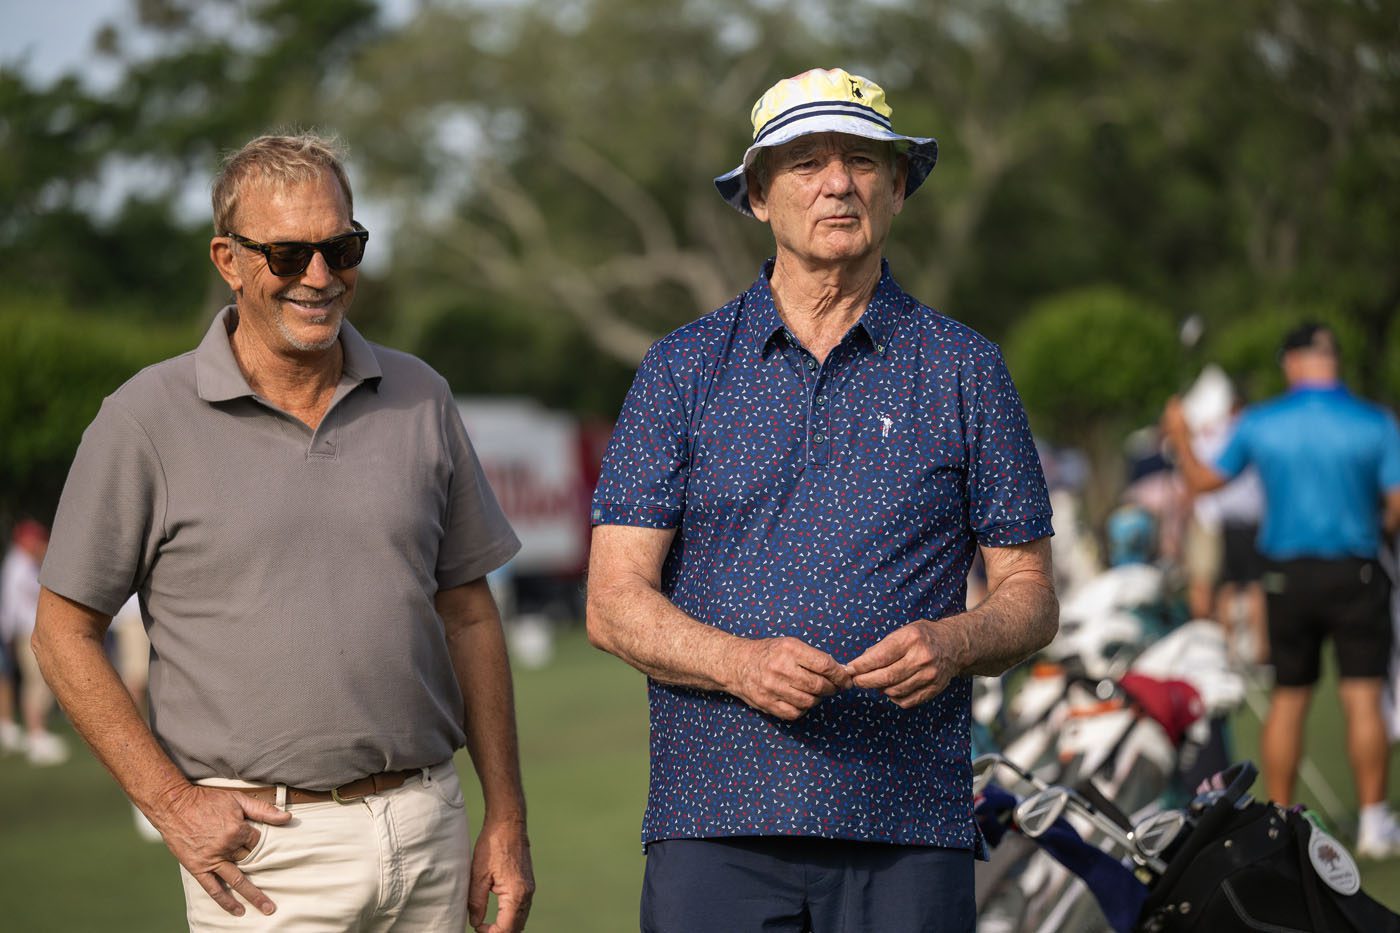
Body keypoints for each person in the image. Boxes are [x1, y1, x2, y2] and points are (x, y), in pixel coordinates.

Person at [586, 68, 1058, 932]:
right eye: (805, 162)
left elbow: (1030, 597)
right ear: (760, 196)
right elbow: (613, 603)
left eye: (863, 161)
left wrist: (954, 640)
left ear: (899, 188)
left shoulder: (966, 369)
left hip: (909, 825)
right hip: (713, 825)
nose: (837, 182)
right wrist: (739, 663)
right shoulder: (681, 369)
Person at [32, 133, 534, 931]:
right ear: (227, 260)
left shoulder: (420, 394)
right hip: (265, 856)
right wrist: (172, 804)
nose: (321, 277)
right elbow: (62, 631)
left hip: (430, 824)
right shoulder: (144, 419)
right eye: (289, 254)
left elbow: (470, 614)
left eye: (342, 247)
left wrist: (506, 818)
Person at [1162, 322, 1400, 858]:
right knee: (1363, 697)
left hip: (1286, 575)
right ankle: (1374, 824)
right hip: (1356, 570)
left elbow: (1203, 483)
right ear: (1332, 358)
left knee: (1290, 699)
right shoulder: (1374, 422)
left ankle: (1281, 821)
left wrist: (1178, 434)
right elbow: (1397, 505)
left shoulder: (1263, 422)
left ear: (1293, 361)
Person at [1, 519, 68, 765]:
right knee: (36, 683)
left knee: (41, 682)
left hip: (31, 632)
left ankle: (37, 731)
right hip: (27, 633)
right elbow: (16, 605)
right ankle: (35, 734)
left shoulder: (24, 563)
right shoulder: (17, 566)